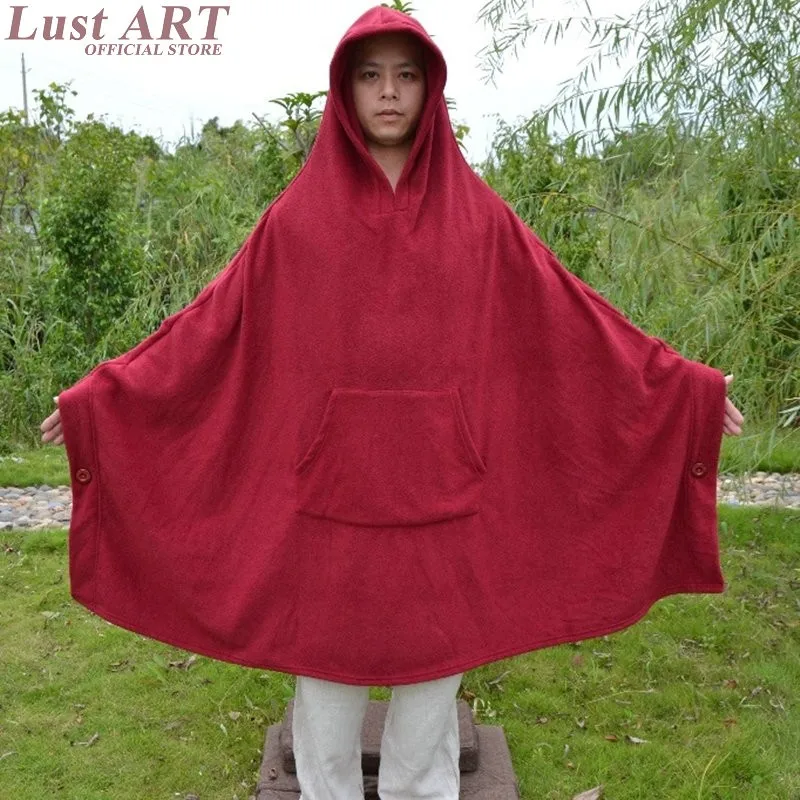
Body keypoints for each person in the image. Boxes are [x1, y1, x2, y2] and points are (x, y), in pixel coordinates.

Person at [40, 7, 744, 800]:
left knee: (428, 705)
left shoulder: (478, 219)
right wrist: (106, 402)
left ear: (429, 88)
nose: (388, 93)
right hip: (328, 502)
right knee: (325, 703)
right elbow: (210, 327)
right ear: (344, 90)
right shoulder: (298, 221)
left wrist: (682, 391)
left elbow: (568, 317)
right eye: (370, 75)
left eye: (406, 76)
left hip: (444, 499)